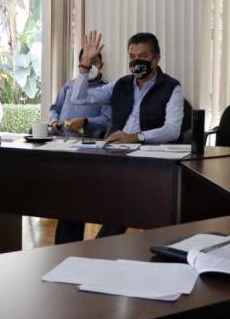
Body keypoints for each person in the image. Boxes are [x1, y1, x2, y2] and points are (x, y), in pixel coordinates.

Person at [55, 30, 185, 244]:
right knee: (74, 195)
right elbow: (78, 98)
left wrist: (136, 137)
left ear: (156, 59)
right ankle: (65, 251)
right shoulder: (120, 84)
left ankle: (100, 251)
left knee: (123, 201)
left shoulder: (171, 87)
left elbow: (173, 130)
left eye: (143, 57)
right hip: (112, 154)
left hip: (146, 160)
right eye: (132, 57)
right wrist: (85, 65)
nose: (136, 62)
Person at [49, 49, 111, 138]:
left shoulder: (107, 89)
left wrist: (85, 121)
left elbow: (106, 119)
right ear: (80, 66)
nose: (90, 66)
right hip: (60, 136)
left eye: (94, 62)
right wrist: (54, 121)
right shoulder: (69, 85)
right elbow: (54, 109)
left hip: (85, 139)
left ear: (101, 65)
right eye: (86, 62)